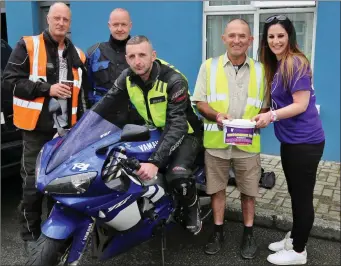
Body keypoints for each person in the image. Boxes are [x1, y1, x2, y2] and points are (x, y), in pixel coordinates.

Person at [92, 35, 204, 234]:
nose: (137, 61)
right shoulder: (127, 76)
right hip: (156, 129)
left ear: (153, 56)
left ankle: (192, 207)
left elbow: (177, 124)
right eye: (132, 56)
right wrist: (76, 134)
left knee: (176, 175)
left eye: (142, 55)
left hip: (186, 131)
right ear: (126, 59)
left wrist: (155, 162)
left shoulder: (174, 80)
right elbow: (105, 104)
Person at [2, 2, 89, 254]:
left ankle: (54, 236)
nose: (61, 23)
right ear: (48, 19)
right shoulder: (27, 46)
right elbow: (9, 81)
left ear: (70, 23)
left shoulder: (78, 55)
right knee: (32, 183)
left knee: (60, 185)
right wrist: (46, 89)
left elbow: (81, 97)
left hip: (66, 132)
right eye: (56, 18)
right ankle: (30, 234)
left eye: (65, 19)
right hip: (36, 129)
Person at [192, 19, 268, 258]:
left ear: (250, 40)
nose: (237, 40)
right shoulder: (209, 66)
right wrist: (216, 115)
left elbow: (266, 106)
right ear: (223, 38)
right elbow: (199, 101)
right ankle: (218, 231)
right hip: (216, 144)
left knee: (249, 191)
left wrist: (261, 118)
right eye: (232, 35)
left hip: (248, 144)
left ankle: (248, 234)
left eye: (242, 36)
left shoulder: (261, 69)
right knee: (217, 190)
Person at [254, 15, 325, 265]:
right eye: (271, 36)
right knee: (296, 193)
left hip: (305, 142)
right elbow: (280, 101)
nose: (275, 41)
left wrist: (271, 116)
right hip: (292, 141)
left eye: (280, 36)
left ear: (290, 36)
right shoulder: (278, 63)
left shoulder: (295, 62)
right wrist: (264, 112)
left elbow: (301, 104)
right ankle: (295, 236)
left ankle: (298, 251)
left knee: (302, 197)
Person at [86, 8, 132, 106]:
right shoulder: (94, 52)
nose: (119, 29)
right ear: (109, 26)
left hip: (132, 115)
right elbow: (84, 87)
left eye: (123, 24)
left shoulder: (139, 53)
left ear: (130, 26)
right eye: (115, 24)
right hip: (101, 113)